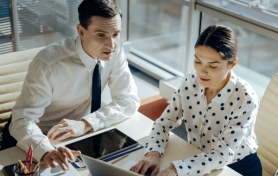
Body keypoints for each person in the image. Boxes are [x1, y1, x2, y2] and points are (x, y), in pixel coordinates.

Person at [1, 0, 140, 172]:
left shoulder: (114, 51)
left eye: (116, 34)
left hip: (77, 134)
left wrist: (85, 124)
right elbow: (21, 120)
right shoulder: (48, 63)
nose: (111, 44)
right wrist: (45, 150)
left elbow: (128, 99)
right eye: (101, 35)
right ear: (81, 31)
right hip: (34, 138)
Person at [130, 25, 262, 176]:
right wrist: (153, 153)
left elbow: (222, 154)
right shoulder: (190, 82)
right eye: (198, 61)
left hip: (237, 167)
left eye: (213, 66)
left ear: (232, 64)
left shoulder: (245, 98)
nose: (202, 71)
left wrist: (175, 169)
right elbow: (163, 123)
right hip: (198, 158)